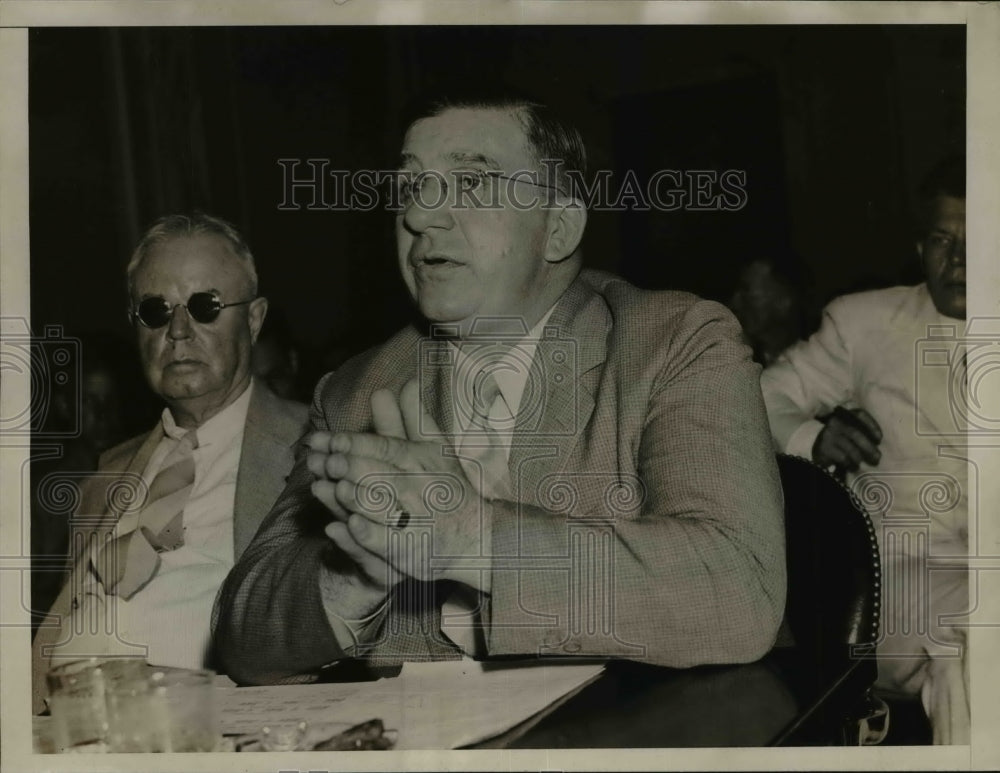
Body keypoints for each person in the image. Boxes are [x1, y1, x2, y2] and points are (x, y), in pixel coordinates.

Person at [213, 92, 786, 685]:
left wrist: (472, 537)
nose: (420, 216)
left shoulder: (673, 343)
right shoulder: (359, 391)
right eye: (411, 188)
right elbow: (240, 633)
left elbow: (738, 589)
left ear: (558, 228)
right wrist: (357, 570)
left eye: (471, 183)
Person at [32, 213, 309, 713]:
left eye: (206, 306)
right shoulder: (108, 473)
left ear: (253, 319)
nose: (179, 331)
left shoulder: (314, 445)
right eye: (156, 310)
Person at [760, 155, 968, 743]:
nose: (957, 261)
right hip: (892, 583)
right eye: (941, 240)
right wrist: (812, 436)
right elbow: (756, 397)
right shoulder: (868, 323)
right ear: (919, 245)